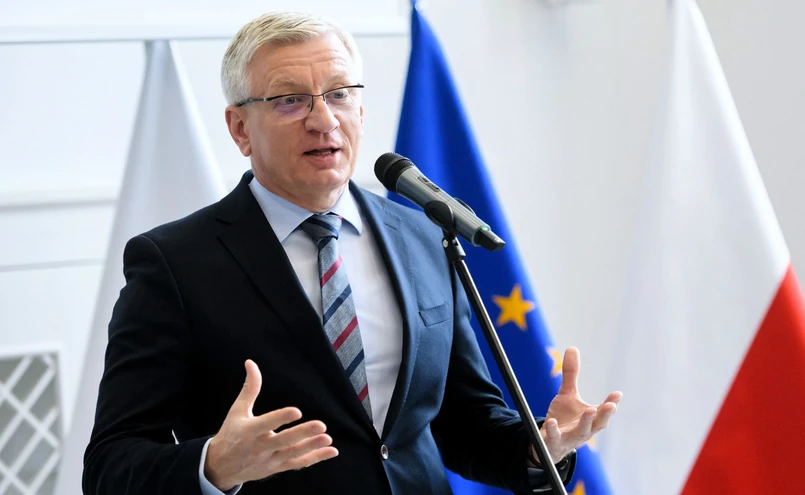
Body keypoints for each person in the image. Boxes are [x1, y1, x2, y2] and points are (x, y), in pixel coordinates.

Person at [82, 11, 621, 495]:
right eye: (290, 100)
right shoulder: (174, 264)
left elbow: (464, 422)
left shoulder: (425, 235)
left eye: (339, 94)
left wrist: (539, 448)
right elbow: (110, 465)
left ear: (361, 109)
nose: (323, 119)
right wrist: (214, 466)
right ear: (240, 128)